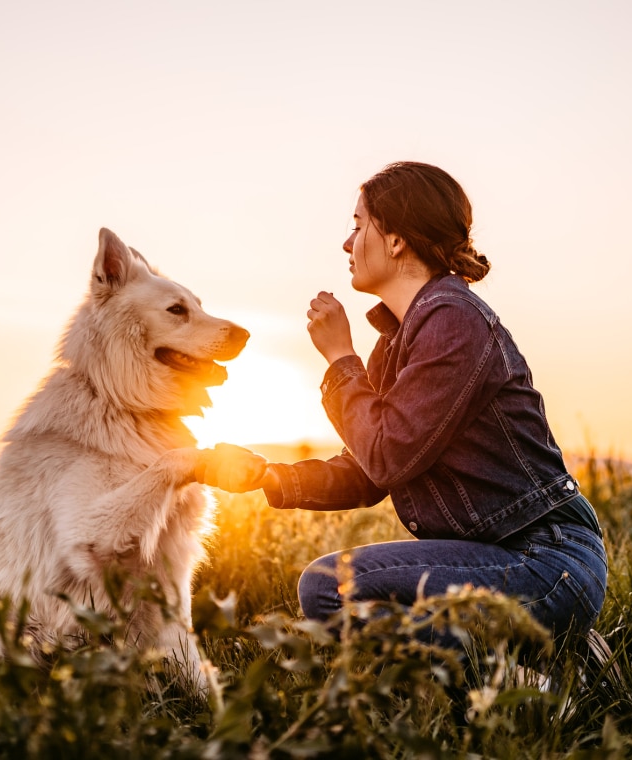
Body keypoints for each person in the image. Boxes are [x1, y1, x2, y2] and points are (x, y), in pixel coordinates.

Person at [198, 161, 607, 658]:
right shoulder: (397, 344)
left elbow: (387, 455)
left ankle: (534, 667)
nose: (347, 244)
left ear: (395, 240)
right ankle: (549, 657)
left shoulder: (453, 319)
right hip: (499, 558)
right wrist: (269, 477)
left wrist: (339, 358)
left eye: (357, 225)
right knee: (331, 589)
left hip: (545, 561)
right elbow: (371, 471)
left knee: (329, 588)